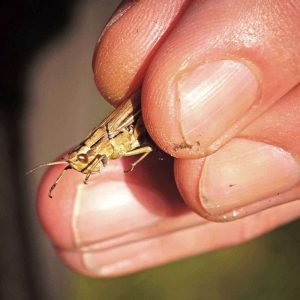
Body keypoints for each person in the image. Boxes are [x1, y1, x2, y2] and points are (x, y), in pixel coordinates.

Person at [37, 0, 300, 277]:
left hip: (143, 111)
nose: (82, 164)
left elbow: (134, 122)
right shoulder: (97, 152)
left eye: (81, 160)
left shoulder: (105, 138)